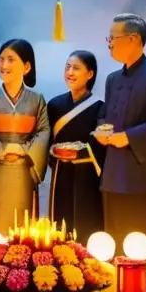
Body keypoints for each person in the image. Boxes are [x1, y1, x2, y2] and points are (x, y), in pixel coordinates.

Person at [96, 14, 146, 256]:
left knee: (145, 239)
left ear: (133, 39)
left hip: (144, 171)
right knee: (115, 238)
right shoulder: (113, 79)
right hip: (114, 169)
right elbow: (107, 113)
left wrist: (129, 137)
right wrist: (102, 129)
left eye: (113, 37)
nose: (109, 43)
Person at [0, 38, 50, 234]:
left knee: (21, 225)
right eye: (1, 59)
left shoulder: (36, 99)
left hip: (23, 170)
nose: (4, 65)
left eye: (10, 59)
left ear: (26, 67)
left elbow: (43, 131)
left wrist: (23, 150)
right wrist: (3, 149)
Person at [47, 50, 106, 235]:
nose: (70, 72)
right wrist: (55, 156)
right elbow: (48, 139)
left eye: (76, 68)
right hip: (61, 171)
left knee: (86, 219)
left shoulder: (100, 106)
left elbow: (100, 141)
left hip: (87, 173)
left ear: (90, 74)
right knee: (60, 221)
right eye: (67, 67)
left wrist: (78, 154)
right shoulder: (54, 105)